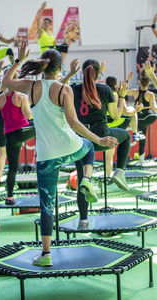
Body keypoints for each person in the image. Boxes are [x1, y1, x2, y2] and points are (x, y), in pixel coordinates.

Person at [2, 43, 118, 266]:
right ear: (60, 67)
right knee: (89, 147)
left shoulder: (32, 86)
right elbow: (74, 123)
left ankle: (45, 255)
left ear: (42, 66)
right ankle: (86, 179)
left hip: (46, 155)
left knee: (47, 205)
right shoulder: (65, 89)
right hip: (71, 146)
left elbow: (6, 82)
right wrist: (100, 139)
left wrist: (19, 60)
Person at [61, 58, 130, 229]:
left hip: (81, 141)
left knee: (82, 181)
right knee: (126, 137)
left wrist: (69, 73)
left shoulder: (73, 89)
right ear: (98, 73)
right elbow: (116, 116)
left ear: (82, 72)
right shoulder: (105, 89)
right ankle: (119, 172)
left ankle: (83, 221)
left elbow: (55, 87)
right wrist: (121, 97)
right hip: (102, 139)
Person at [0, 67, 35, 204]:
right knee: (42, 128)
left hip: (9, 136)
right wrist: (31, 105)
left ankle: (9, 197)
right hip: (22, 132)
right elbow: (29, 115)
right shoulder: (21, 97)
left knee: (13, 168)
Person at [105, 74, 145, 178]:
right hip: (118, 125)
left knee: (108, 156)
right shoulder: (117, 96)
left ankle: (108, 177)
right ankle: (135, 133)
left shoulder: (103, 94)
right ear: (115, 85)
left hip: (105, 127)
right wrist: (136, 109)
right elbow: (126, 111)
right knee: (132, 112)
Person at [127, 70, 157, 165]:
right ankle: (141, 160)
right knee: (142, 136)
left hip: (139, 119)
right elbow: (155, 108)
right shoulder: (150, 94)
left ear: (139, 82)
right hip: (148, 117)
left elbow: (123, 92)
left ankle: (141, 160)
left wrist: (128, 80)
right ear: (149, 83)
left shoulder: (134, 92)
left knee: (141, 137)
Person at [37, 2, 69, 72]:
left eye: (47, 23)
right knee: (47, 69)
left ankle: (62, 64)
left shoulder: (51, 33)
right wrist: (42, 8)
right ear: (43, 23)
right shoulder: (41, 32)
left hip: (52, 52)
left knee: (65, 46)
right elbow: (38, 19)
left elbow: (55, 45)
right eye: (44, 22)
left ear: (50, 24)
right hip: (45, 53)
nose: (46, 24)